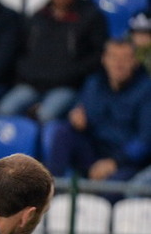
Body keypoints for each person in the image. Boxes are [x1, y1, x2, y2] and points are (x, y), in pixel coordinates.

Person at [0, 0, 108, 124]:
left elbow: (98, 55)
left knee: (46, 115)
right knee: (4, 111)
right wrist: (27, 73)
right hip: (33, 83)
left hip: (67, 85)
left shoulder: (90, 17)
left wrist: (71, 73)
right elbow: (21, 51)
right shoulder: (38, 16)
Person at [42, 38, 151, 183]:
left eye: (125, 58)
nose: (118, 64)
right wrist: (76, 118)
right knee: (63, 132)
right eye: (114, 57)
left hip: (126, 161)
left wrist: (115, 162)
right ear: (104, 59)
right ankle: (53, 187)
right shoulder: (94, 83)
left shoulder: (146, 90)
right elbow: (81, 112)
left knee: (112, 188)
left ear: (135, 61)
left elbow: (145, 140)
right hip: (94, 152)